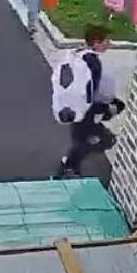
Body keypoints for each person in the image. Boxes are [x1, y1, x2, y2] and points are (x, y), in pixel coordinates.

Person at [56, 25, 126, 177]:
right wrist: (102, 108)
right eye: (107, 40)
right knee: (91, 140)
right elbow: (88, 91)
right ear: (96, 43)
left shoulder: (79, 54)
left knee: (84, 138)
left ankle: (70, 164)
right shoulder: (92, 63)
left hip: (73, 106)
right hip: (84, 109)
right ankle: (67, 167)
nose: (110, 43)